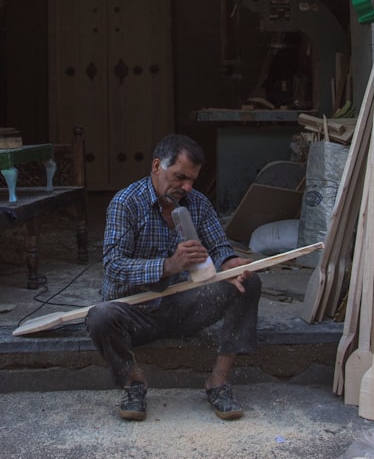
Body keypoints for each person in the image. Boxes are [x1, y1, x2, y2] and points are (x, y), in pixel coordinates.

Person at [86, 134, 260, 421]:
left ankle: (219, 381)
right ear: (157, 166)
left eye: (192, 179)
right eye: (179, 177)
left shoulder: (198, 203)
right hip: (134, 311)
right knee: (99, 317)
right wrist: (169, 265)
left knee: (247, 282)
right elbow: (114, 266)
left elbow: (219, 248)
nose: (187, 187)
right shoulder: (126, 202)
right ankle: (134, 383)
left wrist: (230, 264)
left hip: (181, 305)